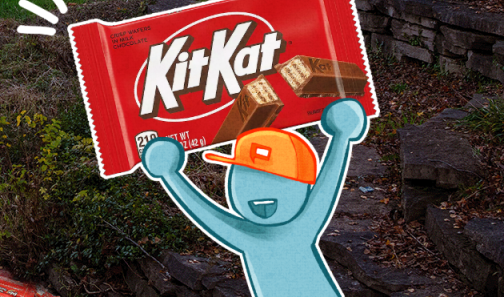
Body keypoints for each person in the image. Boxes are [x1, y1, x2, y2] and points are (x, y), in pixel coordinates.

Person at [141, 99, 368, 297]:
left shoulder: (301, 227)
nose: (259, 194)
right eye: (247, 180)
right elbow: (209, 215)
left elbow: (326, 188)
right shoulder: (249, 237)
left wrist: (341, 140)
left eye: (277, 179)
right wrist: (170, 177)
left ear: (303, 186)